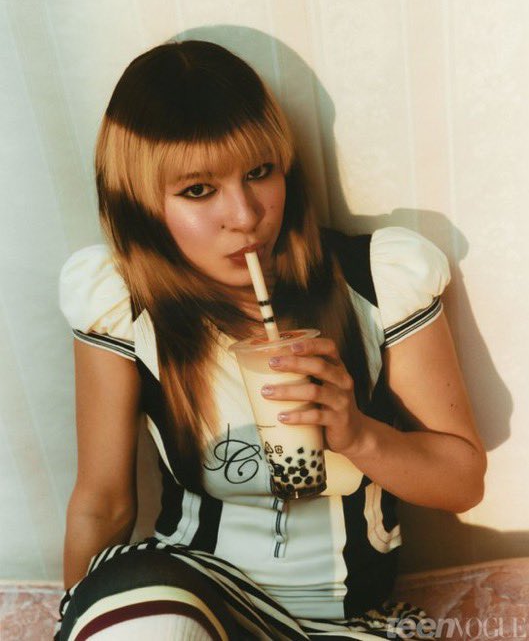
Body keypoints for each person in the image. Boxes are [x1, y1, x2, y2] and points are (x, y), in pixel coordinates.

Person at [55, 39, 487, 640]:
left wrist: (359, 434)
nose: (245, 215)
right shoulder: (123, 306)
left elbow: (462, 483)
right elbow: (103, 503)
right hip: (189, 594)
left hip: (344, 617)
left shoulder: (376, 281)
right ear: (142, 206)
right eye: (198, 190)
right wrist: (80, 616)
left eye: (259, 172)